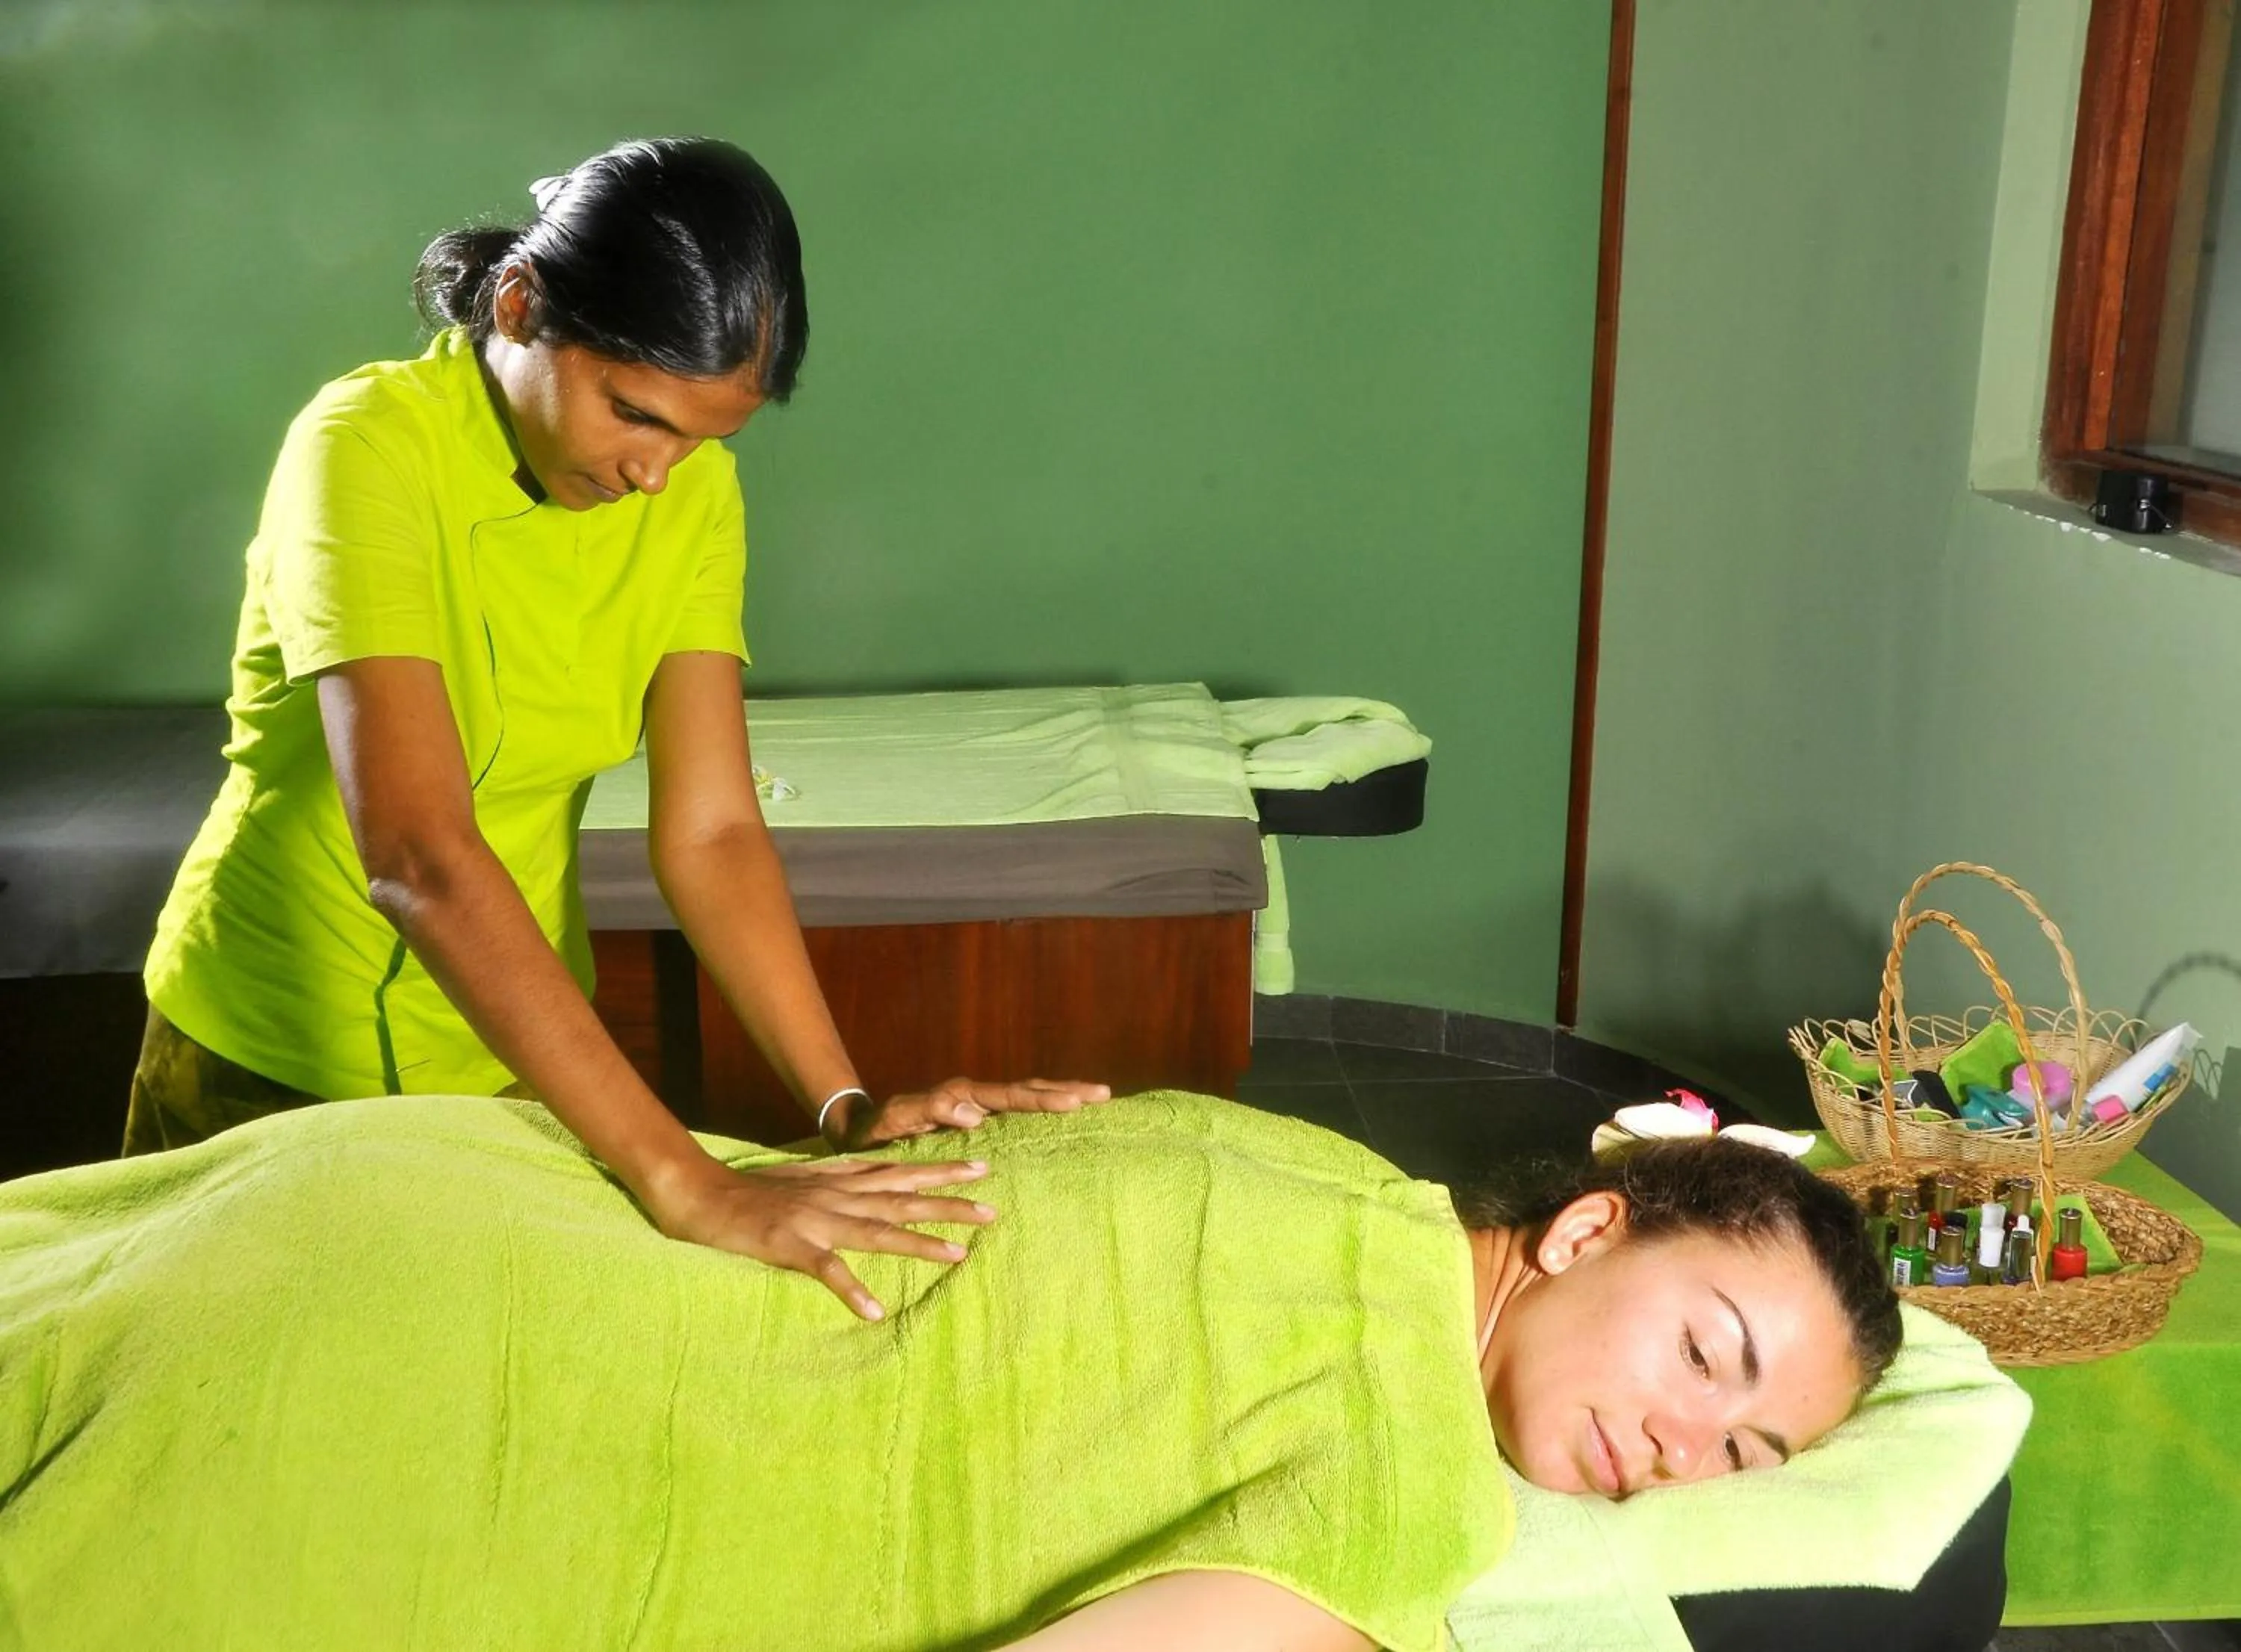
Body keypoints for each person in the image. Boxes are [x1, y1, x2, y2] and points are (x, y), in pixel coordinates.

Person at [124, 136, 1103, 1306]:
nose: (658, 472)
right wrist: (685, 1179)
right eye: (635, 413)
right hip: (269, 1058)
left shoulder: (688, 491)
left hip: (512, 1064)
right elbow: (419, 854)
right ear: (523, 305)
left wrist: (844, 1110)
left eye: (700, 439)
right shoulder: (366, 447)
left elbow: (712, 834)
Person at [4, 1090, 1901, 1651]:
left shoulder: (1320, 1161)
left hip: (422, 1186)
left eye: (1746, 1450)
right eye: (1704, 1354)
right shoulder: (1403, 1503)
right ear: (1588, 1229)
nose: (1681, 1446)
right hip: (427, 1406)